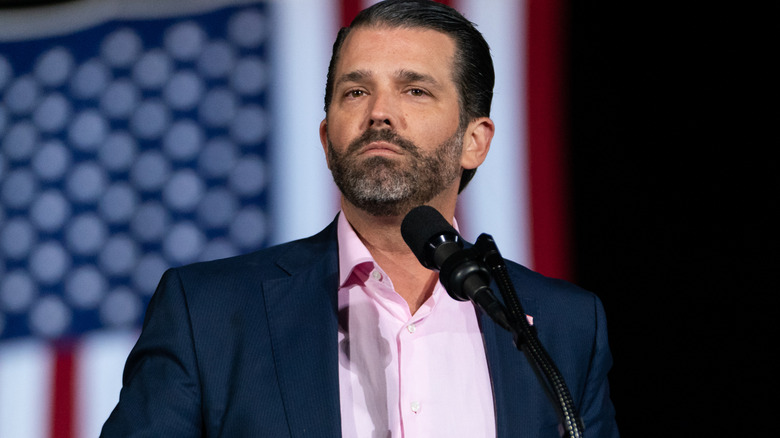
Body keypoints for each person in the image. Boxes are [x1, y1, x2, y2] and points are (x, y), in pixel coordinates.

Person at [101, 1, 619, 436]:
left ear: (474, 141)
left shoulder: (563, 328)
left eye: (415, 90)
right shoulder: (209, 313)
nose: (379, 113)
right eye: (356, 92)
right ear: (327, 141)